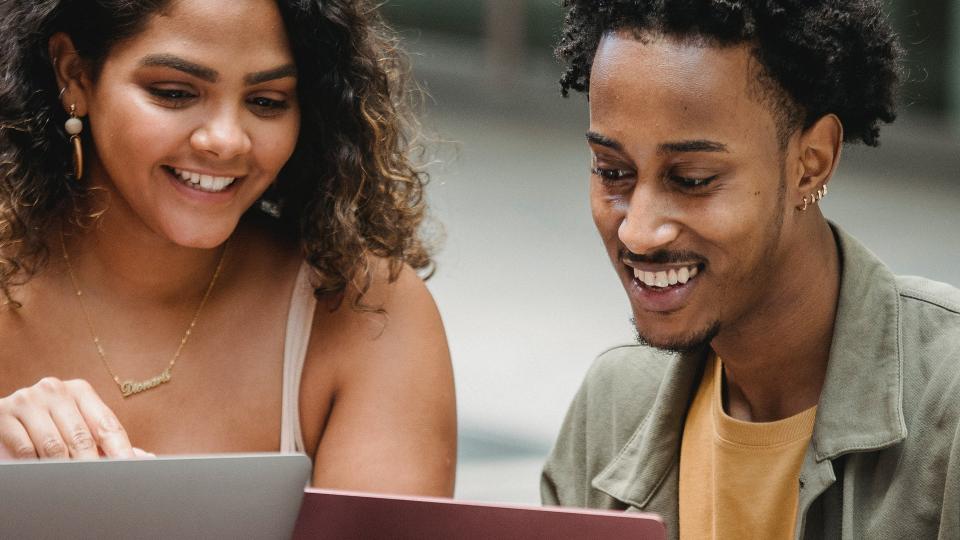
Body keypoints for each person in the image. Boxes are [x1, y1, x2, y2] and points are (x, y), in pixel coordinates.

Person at [0, 0, 456, 496]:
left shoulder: (366, 311)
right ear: (75, 77)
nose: (226, 140)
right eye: (175, 93)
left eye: (266, 101)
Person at [541, 1, 960, 538]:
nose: (638, 231)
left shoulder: (945, 405)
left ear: (810, 163)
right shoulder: (615, 403)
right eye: (612, 171)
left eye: (692, 179)